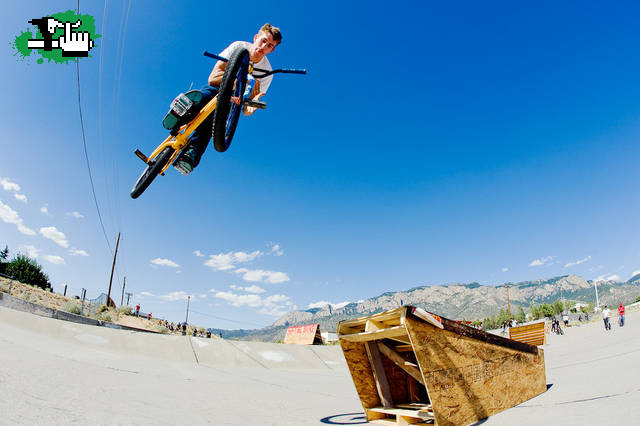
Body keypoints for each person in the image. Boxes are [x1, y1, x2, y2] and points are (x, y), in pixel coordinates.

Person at [173, 23, 282, 175]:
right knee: (208, 93)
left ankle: (190, 156)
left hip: (233, 101)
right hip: (218, 88)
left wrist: (250, 108)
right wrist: (235, 80)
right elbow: (213, 78)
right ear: (256, 38)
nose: (264, 46)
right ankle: (182, 109)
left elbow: (247, 107)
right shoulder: (238, 47)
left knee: (214, 121)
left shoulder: (267, 72)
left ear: (272, 49)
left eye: (269, 45)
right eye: (263, 41)